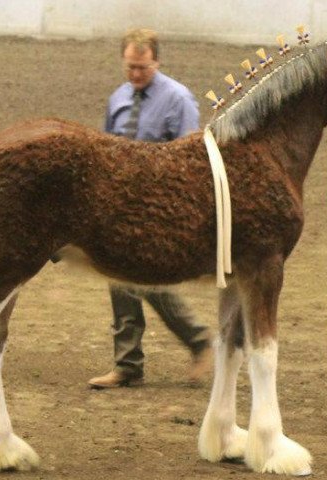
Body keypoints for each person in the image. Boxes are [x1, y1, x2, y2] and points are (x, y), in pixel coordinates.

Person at [88, 28, 212, 389]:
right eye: (130, 67)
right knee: (118, 276)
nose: (136, 75)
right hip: (120, 204)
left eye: (142, 67)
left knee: (146, 278)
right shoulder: (118, 98)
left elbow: (191, 155)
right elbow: (104, 148)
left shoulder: (179, 99)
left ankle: (196, 339)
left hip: (158, 205)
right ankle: (129, 363)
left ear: (156, 61)